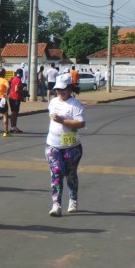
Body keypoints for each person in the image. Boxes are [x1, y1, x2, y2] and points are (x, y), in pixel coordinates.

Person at [45, 74, 86, 217]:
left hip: (71, 146)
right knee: (56, 171)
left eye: (63, 90)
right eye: (57, 89)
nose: (60, 92)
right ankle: (56, 205)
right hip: (53, 144)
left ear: (69, 88)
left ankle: (73, 199)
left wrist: (63, 121)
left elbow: (81, 123)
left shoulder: (75, 105)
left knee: (70, 174)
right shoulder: (53, 102)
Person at [9, 69, 24, 133]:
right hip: (16, 98)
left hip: (11, 97)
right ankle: (13, 127)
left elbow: (9, 84)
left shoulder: (13, 78)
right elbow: (16, 90)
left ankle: (13, 126)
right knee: (15, 113)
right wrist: (23, 92)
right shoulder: (18, 80)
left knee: (13, 112)